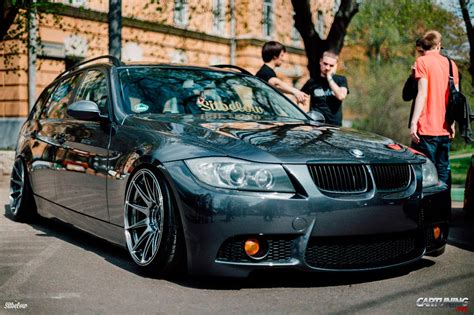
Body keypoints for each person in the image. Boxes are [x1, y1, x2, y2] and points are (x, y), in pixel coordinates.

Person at [410, 30, 459, 186]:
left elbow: (422, 94)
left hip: (426, 129)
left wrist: (413, 122)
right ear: (438, 45)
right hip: (444, 129)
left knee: (426, 173)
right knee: (443, 169)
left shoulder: (422, 62)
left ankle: (426, 209)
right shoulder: (452, 65)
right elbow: (455, 99)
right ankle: (443, 208)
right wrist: (452, 124)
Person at [300, 51, 349, 126]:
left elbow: (341, 96)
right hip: (316, 125)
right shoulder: (312, 81)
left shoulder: (341, 80)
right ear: (320, 62)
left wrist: (329, 77)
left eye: (331, 65)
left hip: (334, 127)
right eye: (325, 64)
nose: (327, 67)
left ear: (336, 65)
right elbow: (299, 98)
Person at [402, 39, 425, 128]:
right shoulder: (418, 70)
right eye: (419, 52)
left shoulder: (447, 67)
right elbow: (406, 96)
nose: (421, 55)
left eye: (422, 51)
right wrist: (413, 77)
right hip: (419, 125)